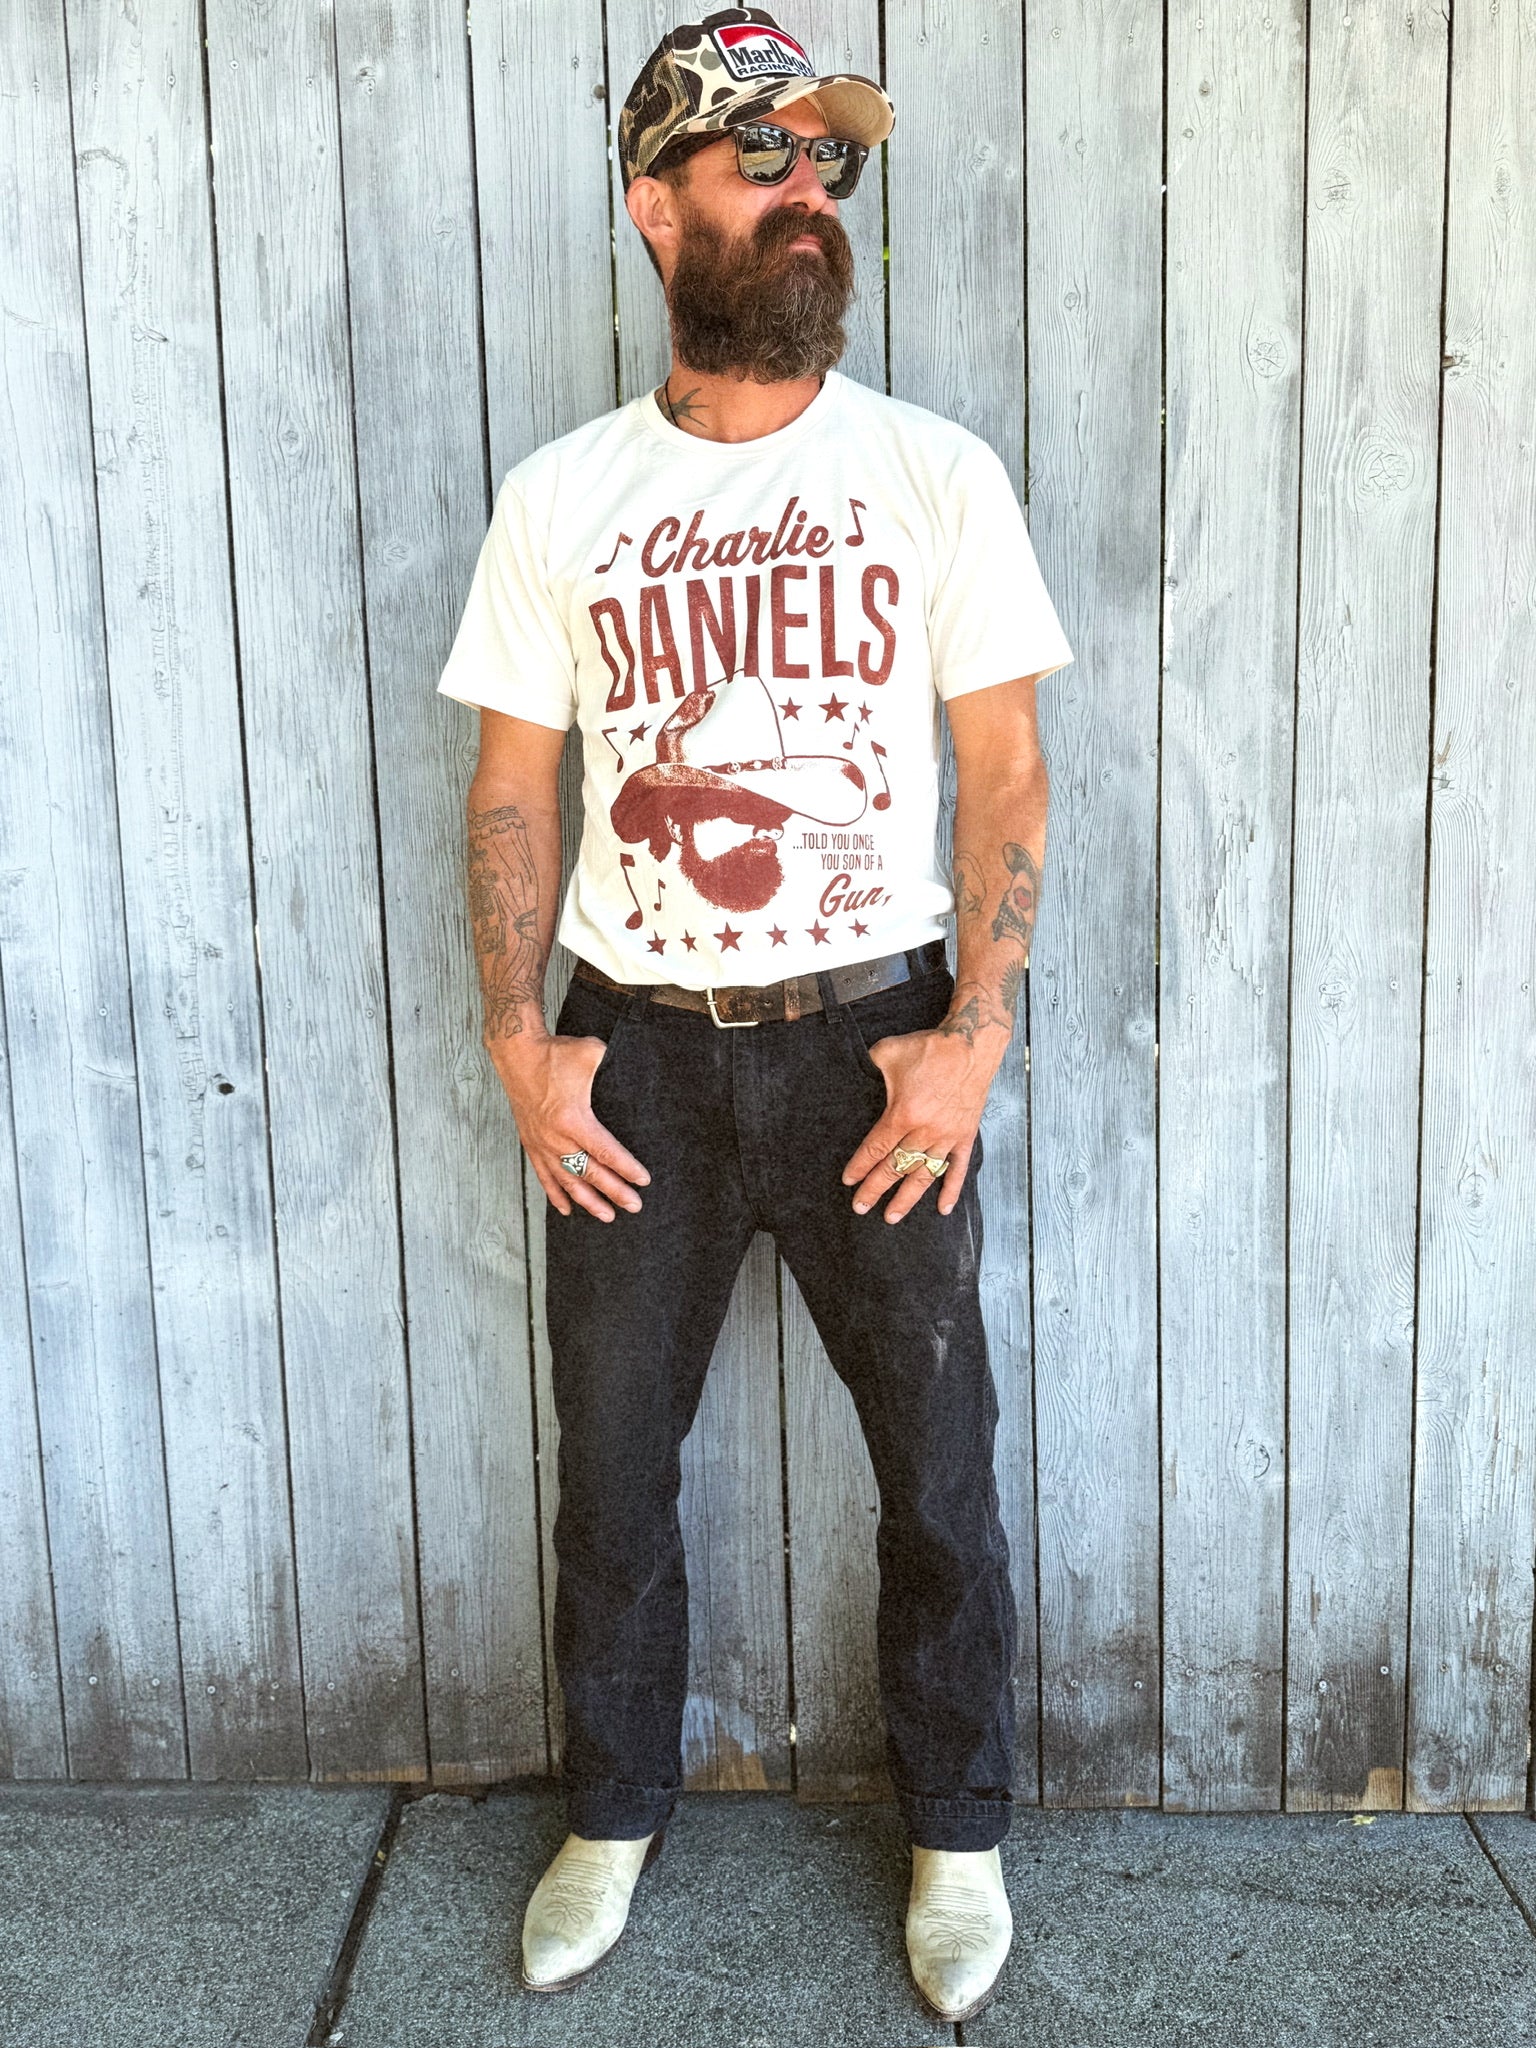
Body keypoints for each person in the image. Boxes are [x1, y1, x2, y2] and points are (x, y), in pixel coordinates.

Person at [435, 5, 1074, 2023]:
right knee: (614, 1465)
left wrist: (976, 1030)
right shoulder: (562, 499)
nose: (812, 195)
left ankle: (957, 1832)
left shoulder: (932, 474)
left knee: (938, 1464)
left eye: (831, 161)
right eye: (763, 157)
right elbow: (515, 787)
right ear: (656, 207)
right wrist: (520, 1039)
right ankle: (614, 1811)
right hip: (636, 1051)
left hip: (875, 1041)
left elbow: (1006, 776)